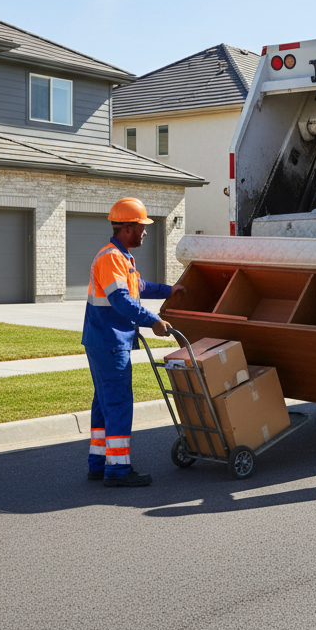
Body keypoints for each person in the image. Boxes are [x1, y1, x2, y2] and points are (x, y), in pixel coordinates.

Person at [82, 198, 185, 487]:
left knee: (104, 404)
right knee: (117, 403)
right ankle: (117, 470)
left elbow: (138, 287)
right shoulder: (111, 258)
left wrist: (170, 289)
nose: (145, 233)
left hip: (104, 340)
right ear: (127, 228)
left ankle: (99, 463)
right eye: (142, 227)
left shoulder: (121, 257)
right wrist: (153, 321)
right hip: (109, 341)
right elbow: (121, 301)